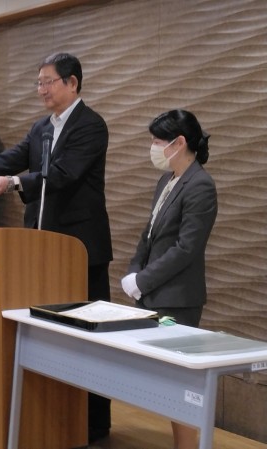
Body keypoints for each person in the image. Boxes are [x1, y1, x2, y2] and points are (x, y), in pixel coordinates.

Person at [0, 52, 113, 442]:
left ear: (72, 83)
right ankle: (52, 418)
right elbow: (14, 157)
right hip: (42, 248)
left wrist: (13, 183)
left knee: (87, 337)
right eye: (38, 83)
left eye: (48, 82)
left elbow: (64, 174)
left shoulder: (91, 125)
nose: (41, 90)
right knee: (51, 335)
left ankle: (94, 422)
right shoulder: (42, 127)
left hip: (80, 249)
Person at [121, 109, 217, 449]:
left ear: (179, 143)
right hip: (152, 294)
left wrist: (144, 280)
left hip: (178, 299)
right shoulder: (167, 180)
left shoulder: (200, 185)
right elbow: (148, 235)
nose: (153, 147)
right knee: (162, 379)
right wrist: (134, 272)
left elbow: (186, 248)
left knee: (179, 381)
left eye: (157, 141)